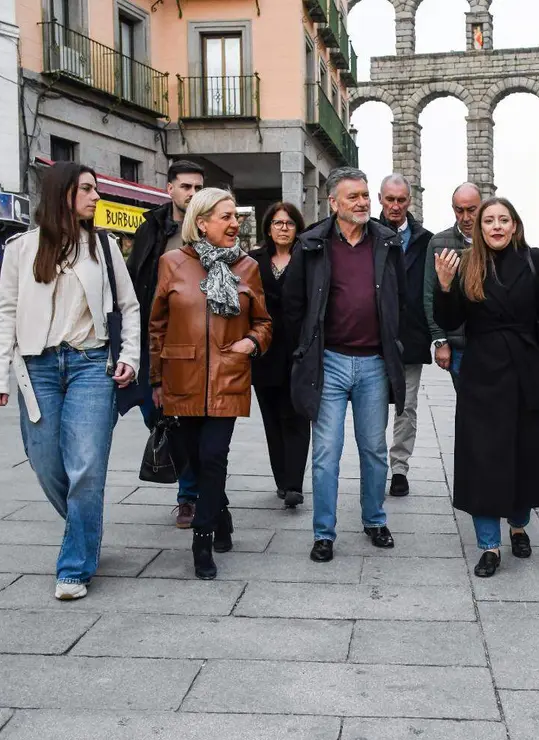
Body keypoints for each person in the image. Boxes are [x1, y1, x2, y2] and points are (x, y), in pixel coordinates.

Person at [0, 162, 140, 601]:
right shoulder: (20, 249)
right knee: (46, 463)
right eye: (87, 189)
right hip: (37, 369)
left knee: (86, 466)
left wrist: (129, 356)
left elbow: (129, 307)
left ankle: (74, 566)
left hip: (93, 365)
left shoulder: (105, 247)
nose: (96, 197)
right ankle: (85, 529)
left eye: (96, 189)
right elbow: (6, 313)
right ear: (62, 194)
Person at [433, 197, 539, 577]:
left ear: (514, 225)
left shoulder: (534, 260)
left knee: (524, 453)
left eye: (503, 220)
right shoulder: (466, 262)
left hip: (524, 369)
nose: (495, 226)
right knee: (483, 459)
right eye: (488, 220)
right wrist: (444, 287)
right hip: (482, 374)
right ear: (479, 227)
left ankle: (519, 524)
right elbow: (451, 320)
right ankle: (488, 546)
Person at [284, 167, 407, 564]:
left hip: (373, 362)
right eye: (353, 196)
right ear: (333, 203)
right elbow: (293, 305)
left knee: (374, 449)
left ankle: (374, 520)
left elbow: (399, 298)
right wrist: (303, 351)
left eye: (365, 195)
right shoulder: (312, 244)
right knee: (325, 453)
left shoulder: (387, 242)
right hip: (329, 364)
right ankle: (324, 533)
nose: (363, 202)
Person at [149, 188, 271, 580]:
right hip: (181, 378)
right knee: (194, 460)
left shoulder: (248, 267)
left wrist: (250, 343)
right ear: (201, 223)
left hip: (228, 375)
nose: (236, 224)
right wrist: (155, 379)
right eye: (226, 217)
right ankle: (220, 512)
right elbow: (157, 325)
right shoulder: (171, 263)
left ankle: (202, 541)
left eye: (237, 217)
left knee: (215, 455)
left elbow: (264, 322)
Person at [125, 160, 206, 527]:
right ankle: (188, 474)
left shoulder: (209, 231)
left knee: (185, 419)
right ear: (169, 188)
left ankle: (189, 495)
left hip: (191, 342)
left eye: (197, 187)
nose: (192, 194)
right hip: (148, 338)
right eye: (186, 187)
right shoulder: (152, 229)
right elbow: (132, 280)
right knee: (155, 416)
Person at [249, 202, 310, 509]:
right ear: (268, 228)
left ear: (297, 227)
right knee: (273, 420)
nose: (283, 228)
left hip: (299, 351)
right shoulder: (253, 260)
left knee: (296, 416)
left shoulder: (308, 257)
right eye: (277, 223)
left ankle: (295, 484)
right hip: (265, 353)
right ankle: (282, 481)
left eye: (289, 223)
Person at [378, 173, 434, 497]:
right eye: (390, 199)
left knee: (406, 405)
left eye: (401, 200)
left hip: (410, 335)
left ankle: (399, 467)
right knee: (374, 405)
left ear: (409, 201)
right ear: (381, 199)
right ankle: (376, 464)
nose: (396, 205)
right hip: (374, 335)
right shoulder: (369, 234)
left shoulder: (425, 240)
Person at [424, 182, 482, 389]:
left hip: (493, 343)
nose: (465, 217)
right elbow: (430, 294)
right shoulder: (439, 243)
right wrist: (440, 341)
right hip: (459, 344)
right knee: (466, 408)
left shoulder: (496, 239)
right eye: (459, 210)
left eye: (471, 210)